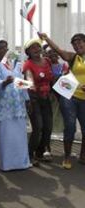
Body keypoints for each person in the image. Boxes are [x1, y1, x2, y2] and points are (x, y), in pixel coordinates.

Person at [39, 33, 85, 169]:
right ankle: (67, 157)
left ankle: (83, 155)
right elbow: (59, 50)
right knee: (70, 126)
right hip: (70, 96)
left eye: (80, 43)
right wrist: (46, 38)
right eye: (74, 45)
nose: (77, 46)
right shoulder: (73, 57)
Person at [0, 38, 30, 171]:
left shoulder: (15, 64)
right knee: (6, 136)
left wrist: (27, 96)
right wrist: (5, 82)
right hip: (4, 106)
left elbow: (20, 82)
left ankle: (22, 162)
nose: (5, 50)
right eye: (1, 47)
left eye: (6, 47)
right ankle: (7, 164)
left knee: (19, 135)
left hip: (18, 105)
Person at [23, 38, 54, 167]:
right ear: (28, 52)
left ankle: (40, 153)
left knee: (48, 127)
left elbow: (52, 77)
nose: (36, 49)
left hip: (46, 98)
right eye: (32, 48)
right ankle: (29, 155)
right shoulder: (28, 64)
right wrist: (31, 85)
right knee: (38, 127)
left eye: (37, 47)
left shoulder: (47, 61)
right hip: (34, 99)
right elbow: (29, 77)